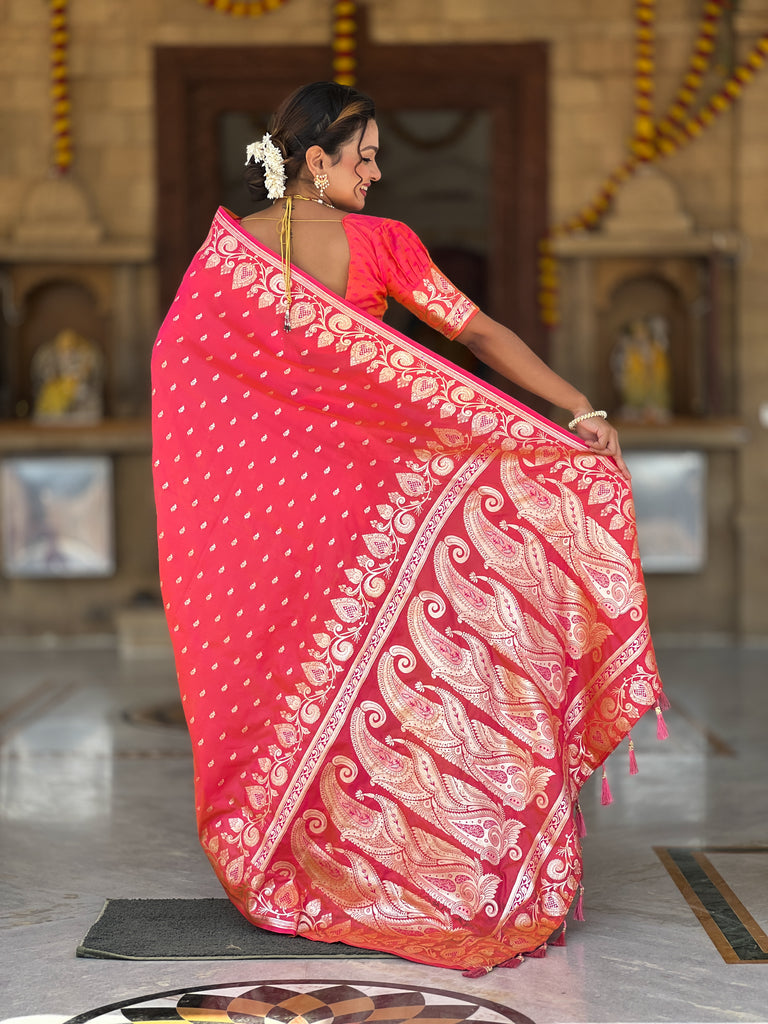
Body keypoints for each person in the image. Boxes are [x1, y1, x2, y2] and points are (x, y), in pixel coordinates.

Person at [151, 81, 665, 974]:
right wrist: (578, 409)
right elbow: (484, 336)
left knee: (298, 690)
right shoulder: (380, 246)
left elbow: (181, 370)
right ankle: (441, 869)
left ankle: (314, 862)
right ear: (317, 159)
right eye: (367, 154)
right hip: (390, 509)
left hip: (278, 527)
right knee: (411, 690)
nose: (380, 171)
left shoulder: (226, 258)